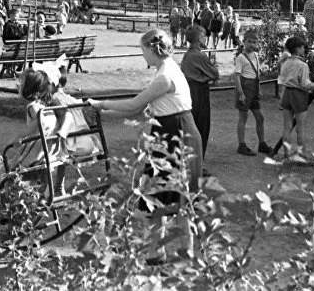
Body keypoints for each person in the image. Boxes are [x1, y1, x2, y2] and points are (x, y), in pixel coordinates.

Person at [88, 29, 202, 264]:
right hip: (173, 133)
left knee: (171, 196)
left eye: (142, 50)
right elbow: (139, 109)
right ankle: (158, 253)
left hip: (176, 136)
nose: (143, 56)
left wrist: (99, 103)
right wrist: (104, 109)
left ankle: (183, 254)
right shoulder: (167, 69)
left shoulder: (165, 76)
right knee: (160, 195)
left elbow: (135, 105)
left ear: (152, 49)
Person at [277, 36, 314, 163]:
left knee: (287, 127)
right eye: (302, 47)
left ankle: (287, 154)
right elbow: (306, 85)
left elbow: (281, 79)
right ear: (297, 49)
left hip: (287, 94)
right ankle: (301, 155)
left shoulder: (286, 63)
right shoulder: (302, 65)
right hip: (299, 95)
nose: (304, 49)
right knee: (300, 128)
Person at [180, 25, 217, 162]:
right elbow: (214, 73)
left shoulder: (188, 54)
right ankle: (197, 163)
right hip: (198, 91)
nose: (205, 39)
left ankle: (190, 160)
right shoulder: (199, 55)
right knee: (201, 126)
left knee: (191, 126)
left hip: (188, 91)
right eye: (203, 36)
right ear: (198, 39)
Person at [234, 29, 271, 157]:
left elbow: (257, 74)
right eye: (249, 41)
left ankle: (262, 143)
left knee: (260, 117)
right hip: (245, 88)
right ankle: (242, 144)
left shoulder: (255, 55)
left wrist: (259, 88)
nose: (252, 44)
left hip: (254, 87)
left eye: (254, 41)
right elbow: (237, 76)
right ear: (244, 42)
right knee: (243, 117)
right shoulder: (241, 57)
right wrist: (240, 93)